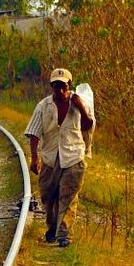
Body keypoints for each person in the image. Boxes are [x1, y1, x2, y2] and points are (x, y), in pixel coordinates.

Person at [24, 68, 94, 247]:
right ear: (51, 87)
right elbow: (34, 133)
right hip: (50, 157)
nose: (60, 90)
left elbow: (88, 126)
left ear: (69, 86)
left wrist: (80, 108)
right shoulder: (43, 106)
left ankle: (64, 234)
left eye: (63, 87)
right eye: (56, 87)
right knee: (48, 196)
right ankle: (52, 227)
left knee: (68, 196)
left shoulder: (79, 103)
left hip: (73, 157)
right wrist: (35, 157)